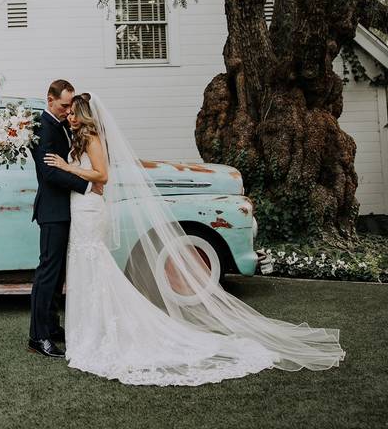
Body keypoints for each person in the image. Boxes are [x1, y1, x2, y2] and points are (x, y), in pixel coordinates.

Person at [42, 91, 345, 386]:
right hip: (80, 208)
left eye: (72, 112)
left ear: (83, 115)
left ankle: (98, 334)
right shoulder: (76, 137)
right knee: (85, 267)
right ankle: (88, 332)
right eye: (67, 111)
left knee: (94, 265)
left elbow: (103, 176)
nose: (69, 116)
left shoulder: (93, 138)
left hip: (90, 210)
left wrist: (68, 166)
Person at [27, 80, 103, 358]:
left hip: (67, 209)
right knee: (47, 274)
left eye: (71, 106)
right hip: (53, 211)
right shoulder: (43, 128)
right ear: (49, 99)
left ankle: (52, 325)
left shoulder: (61, 126)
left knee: (58, 275)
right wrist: (85, 186)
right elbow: (49, 173)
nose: (68, 111)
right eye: (63, 106)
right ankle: (38, 336)